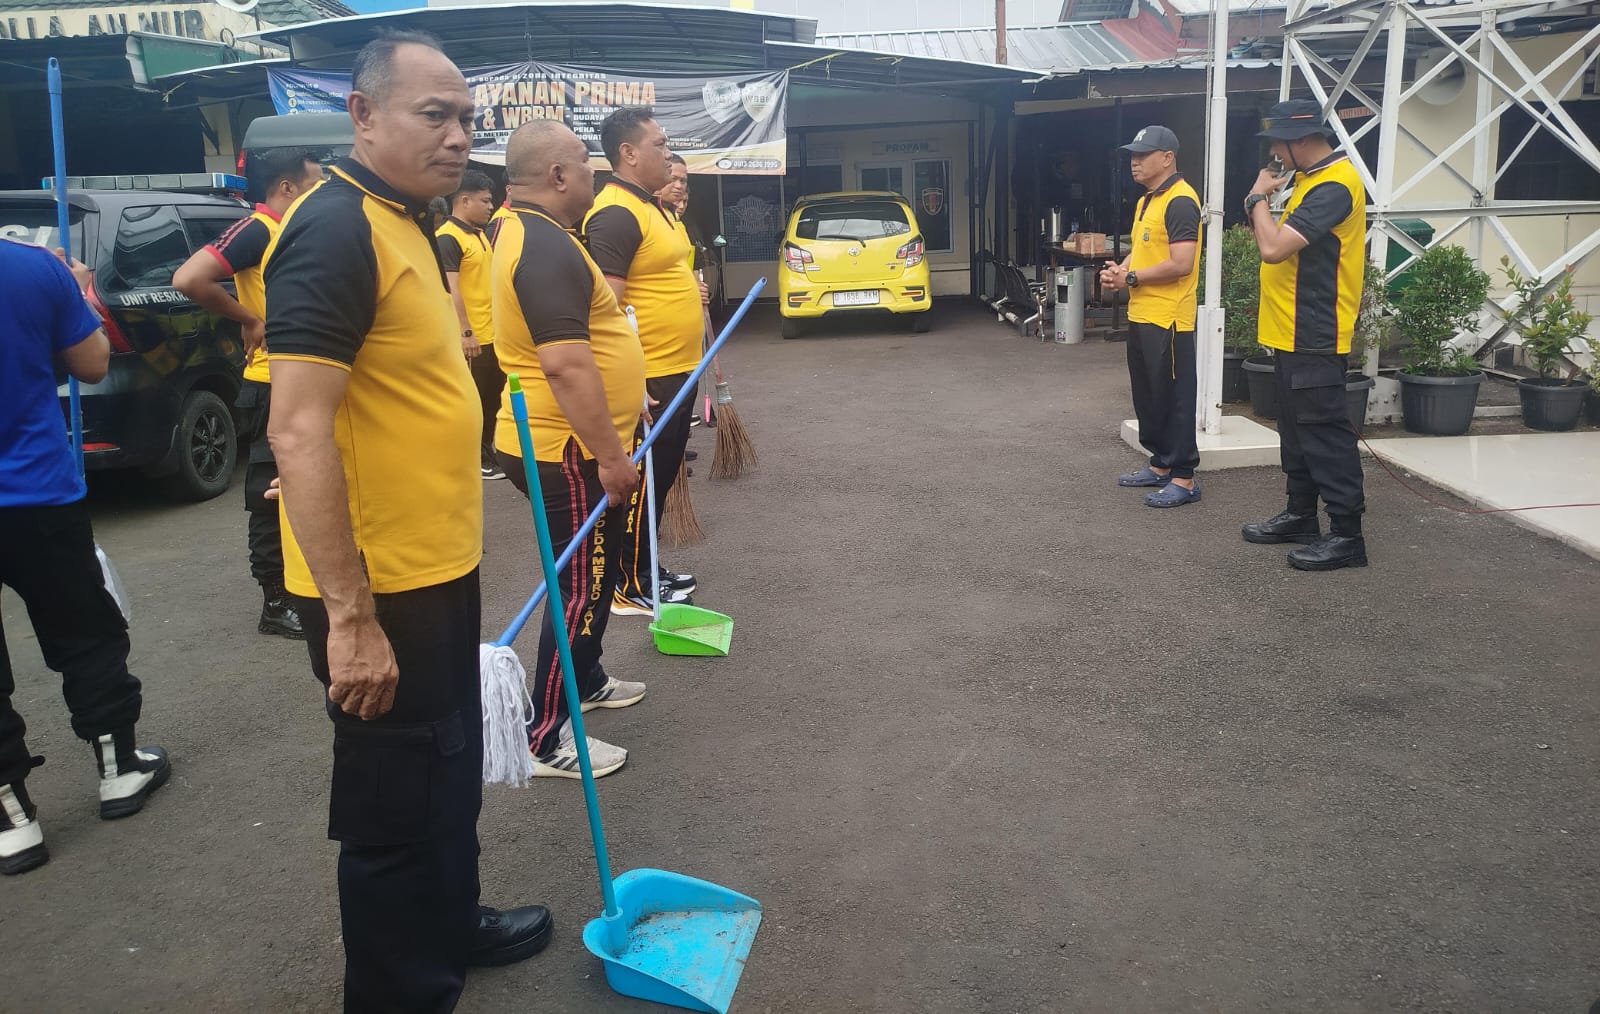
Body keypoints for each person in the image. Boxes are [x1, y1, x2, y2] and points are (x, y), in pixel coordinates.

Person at [262, 31, 550, 1010]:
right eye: (435, 114)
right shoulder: (333, 227)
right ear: (362, 114)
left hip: (437, 565)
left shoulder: (409, 224)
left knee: (446, 766)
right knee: (392, 803)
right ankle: (397, 991)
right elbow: (298, 427)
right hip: (377, 587)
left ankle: (451, 925)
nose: (459, 135)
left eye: (467, 118)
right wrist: (349, 619)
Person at [0, 242, 169, 876]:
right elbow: (93, 363)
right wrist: (76, 292)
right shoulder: (30, 266)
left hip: (39, 490)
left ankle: (11, 819)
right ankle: (118, 769)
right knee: (84, 632)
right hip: (37, 494)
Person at [490, 120, 648, 778]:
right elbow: (564, 364)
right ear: (557, 175)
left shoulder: (533, 232)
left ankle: (584, 680)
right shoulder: (543, 245)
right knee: (579, 584)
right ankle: (544, 735)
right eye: (585, 162)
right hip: (568, 449)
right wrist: (611, 456)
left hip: (570, 440)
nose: (594, 173)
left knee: (597, 572)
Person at [173, 149, 324, 639]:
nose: (320, 194)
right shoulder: (258, 228)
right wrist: (249, 318)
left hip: (302, 378)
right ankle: (275, 601)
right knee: (269, 490)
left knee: (306, 482)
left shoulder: (294, 231)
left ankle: (307, 585)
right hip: (270, 382)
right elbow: (188, 278)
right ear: (285, 187)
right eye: (313, 184)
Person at [1240, 99, 1369, 571]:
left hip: (1314, 332)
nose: (1274, 152)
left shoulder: (1335, 184)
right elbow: (1273, 243)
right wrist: (1259, 202)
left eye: (1278, 142)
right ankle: (1300, 515)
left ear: (1300, 140)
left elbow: (1273, 248)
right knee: (1295, 433)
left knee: (1325, 435)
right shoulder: (1311, 181)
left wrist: (1257, 198)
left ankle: (1347, 536)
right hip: (1290, 331)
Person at [584, 107, 701, 617]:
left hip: (678, 368)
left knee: (663, 473)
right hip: (649, 377)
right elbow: (604, 310)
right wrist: (626, 385)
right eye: (660, 144)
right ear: (628, 153)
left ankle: (644, 565)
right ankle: (627, 584)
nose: (668, 154)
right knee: (642, 481)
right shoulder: (615, 213)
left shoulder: (652, 207)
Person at [1099, 125, 1203, 508]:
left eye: (1143, 155)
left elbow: (1182, 262)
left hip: (1170, 318)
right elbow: (1143, 250)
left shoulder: (1181, 200)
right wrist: (1122, 269)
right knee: (1149, 396)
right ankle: (1160, 463)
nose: (1135, 161)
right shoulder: (1148, 200)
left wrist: (1130, 278)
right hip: (1143, 313)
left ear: (1167, 158)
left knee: (1174, 398)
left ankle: (1184, 477)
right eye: (1132, 155)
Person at [436, 170, 505, 481]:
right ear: (464, 200)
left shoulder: (478, 235)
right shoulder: (448, 237)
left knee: (491, 398)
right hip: (471, 336)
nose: (490, 206)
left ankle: (487, 450)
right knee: (472, 400)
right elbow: (452, 289)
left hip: (491, 334)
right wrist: (465, 332)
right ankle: (474, 456)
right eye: (485, 201)